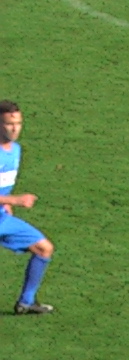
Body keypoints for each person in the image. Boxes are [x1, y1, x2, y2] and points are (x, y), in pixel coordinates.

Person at [0, 100, 56, 314]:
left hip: (2, 217)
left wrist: (7, 204)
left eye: (18, 123)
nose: (15, 129)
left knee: (44, 248)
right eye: (9, 124)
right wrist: (14, 200)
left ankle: (26, 302)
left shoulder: (15, 150)